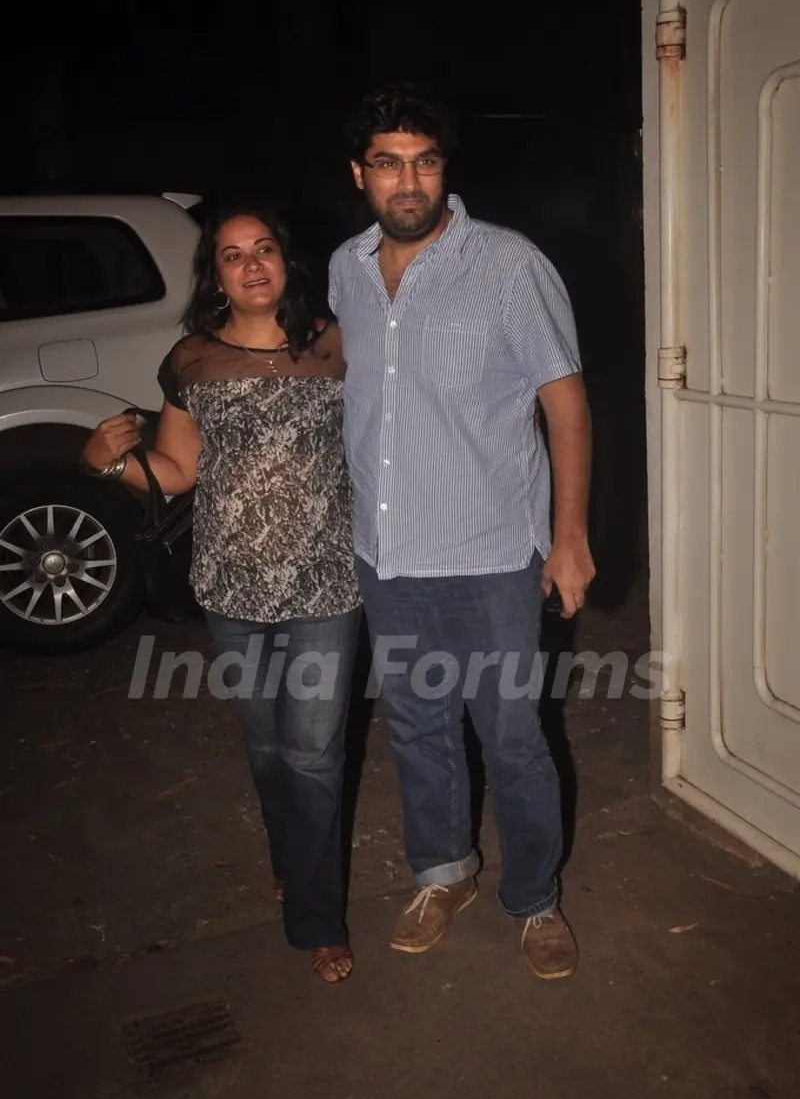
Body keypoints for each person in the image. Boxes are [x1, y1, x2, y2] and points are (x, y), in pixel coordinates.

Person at [327, 85, 595, 980]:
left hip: (489, 554)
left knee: (512, 732)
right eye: (391, 161)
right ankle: (444, 872)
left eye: (427, 160)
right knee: (415, 723)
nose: (410, 180)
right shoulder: (345, 269)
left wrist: (569, 537)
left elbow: (566, 403)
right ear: (360, 172)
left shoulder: (509, 264)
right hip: (388, 553)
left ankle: (535, 896)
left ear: (446, 168)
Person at [81, 201, 361, 984]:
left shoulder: (339, 346)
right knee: (269, 747)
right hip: (230, 585)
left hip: (326, 581)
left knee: (313, 754)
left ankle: (315, 916)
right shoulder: (192, 359)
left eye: (264, 248)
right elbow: (175, 472)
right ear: (217, 276)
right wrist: (106, 460)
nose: (252, 264)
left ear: (286, 260)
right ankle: (290, 853)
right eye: (233, 255)